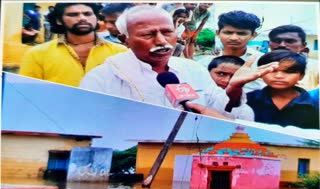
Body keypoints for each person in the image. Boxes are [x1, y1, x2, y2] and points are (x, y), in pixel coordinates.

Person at [80, 5, 278, 120]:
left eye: (167, 32)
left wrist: (234, 90)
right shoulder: (102, 78)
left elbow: (240, 119)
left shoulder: (193, 69)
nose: (161, 41)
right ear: (125, 40)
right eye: (148, 34)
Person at [19, 3, 128, 87]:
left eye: (87, 14)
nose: (82, 18)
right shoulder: (37, 54)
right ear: (59, 21)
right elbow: (27, 93)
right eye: (73, 14)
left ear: (96, 18)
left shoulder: (120, 52)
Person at [246, 50, 319, 129]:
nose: (279, 76)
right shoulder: (248, 99)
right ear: (260, 73)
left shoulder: (315, 104)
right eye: (272, 70)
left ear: (301, 76)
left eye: (289, 71)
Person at [198, 10, 265, 93]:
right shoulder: (203, 64)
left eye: (242, 33)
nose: (234, 38)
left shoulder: (262, 61)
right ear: (218, 33)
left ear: (253, 35)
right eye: (228, 32)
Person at [268, 24, 319, 91]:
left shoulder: (316, 67)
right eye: (277, 41)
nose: (282, 45)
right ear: (269, 44)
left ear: (303, 45)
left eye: (290, 41)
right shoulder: (259, 66)